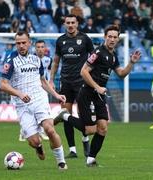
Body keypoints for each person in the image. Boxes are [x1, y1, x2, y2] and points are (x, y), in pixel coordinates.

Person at [54, 25, 141, 166]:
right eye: (110, 36)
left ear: (118, 39)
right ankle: (64, 116)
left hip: (99, 95)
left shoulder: (113, 57)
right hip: (87, 93)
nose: (112, 39)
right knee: (89, 130)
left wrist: (131, 63)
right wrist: (97, 87)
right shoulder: (98, 52)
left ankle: (91, 159)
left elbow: (121, 74)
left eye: (115, 37)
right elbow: (84, 71)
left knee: (103, 128)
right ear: (104, 37)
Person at [0, 31, 68, 170]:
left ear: (30, 43)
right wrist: (19, 93)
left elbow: (43, 81)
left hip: (39, 99)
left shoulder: (37, 60)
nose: (21, 46)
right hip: (22, 105)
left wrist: (56, 94)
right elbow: (2, 84)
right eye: (18, 43)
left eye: (24, 43)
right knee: (34, 141)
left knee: (49, 129)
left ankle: (61, 163)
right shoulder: (11, 60)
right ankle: (39, 146)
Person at [49, 14, 93, 159]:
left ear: (77, 24)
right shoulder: (60, 40)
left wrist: (91, 76)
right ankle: (73, 150)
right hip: (65, 82)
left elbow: (94, 59)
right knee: (66, 115)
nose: (70, 25)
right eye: (68, 22)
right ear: (64, 24)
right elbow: (55, 62)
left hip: (81, 82)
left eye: (73, 22)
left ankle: (85, 139)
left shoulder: (85, 39)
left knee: (82, 114)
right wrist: (51, 80)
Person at [18, 40, 51, 142]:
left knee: (43, 109)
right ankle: (24, 131)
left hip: (43, 86)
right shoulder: (31, 59)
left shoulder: (48, 60)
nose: (40, 49)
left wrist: (50, 83)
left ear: (45, 48)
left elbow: (48, 73)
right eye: (38, 47)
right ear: (35, 48)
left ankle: (41, 130)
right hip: (33, 87)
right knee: (30, 111)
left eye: (42, 47)